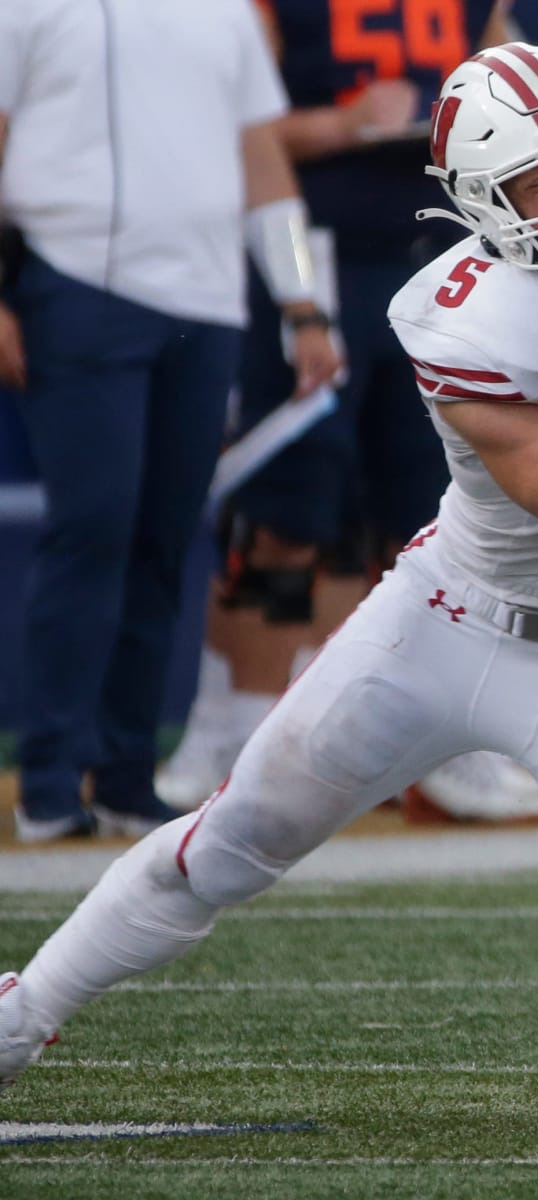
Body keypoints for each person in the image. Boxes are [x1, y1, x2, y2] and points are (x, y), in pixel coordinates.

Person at [0, 45, 538, 1118]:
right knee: (231, 839)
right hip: (446, 617)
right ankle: (19, 1014)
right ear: (479, 204)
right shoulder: (464, 313)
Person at [152, 0, 538, 824]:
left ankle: (442, 742)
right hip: (312, 251)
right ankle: (232, 729)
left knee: (436, 511)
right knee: (287, 511)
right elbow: (232, 131)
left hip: (434, 257)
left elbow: (512, 105)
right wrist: (344, 124)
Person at [0, 0, 342, 842]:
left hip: (206, 303)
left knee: (163, 537)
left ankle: (123, 774)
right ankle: (47, 777)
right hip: (74, 280)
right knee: (94, 527)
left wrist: (303, 303)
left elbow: (261, 155)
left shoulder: (226, 12)